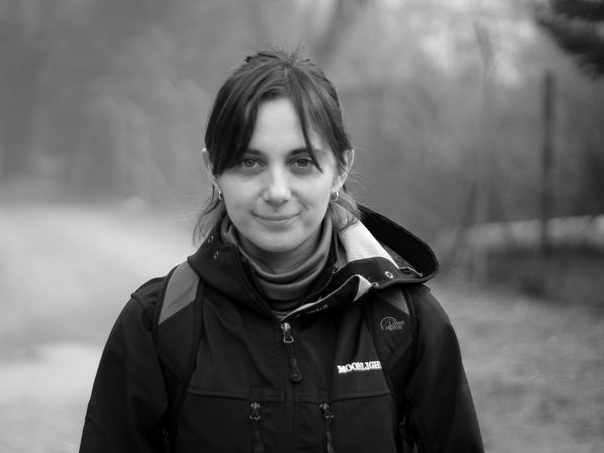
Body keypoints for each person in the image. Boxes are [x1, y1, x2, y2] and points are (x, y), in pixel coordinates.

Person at [79, 48, 484, 453]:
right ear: (213, 169)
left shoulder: (407, 323)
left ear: (340, 168)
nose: (276, 191)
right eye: (250, 162)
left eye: (301, 162)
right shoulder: (157, 324)